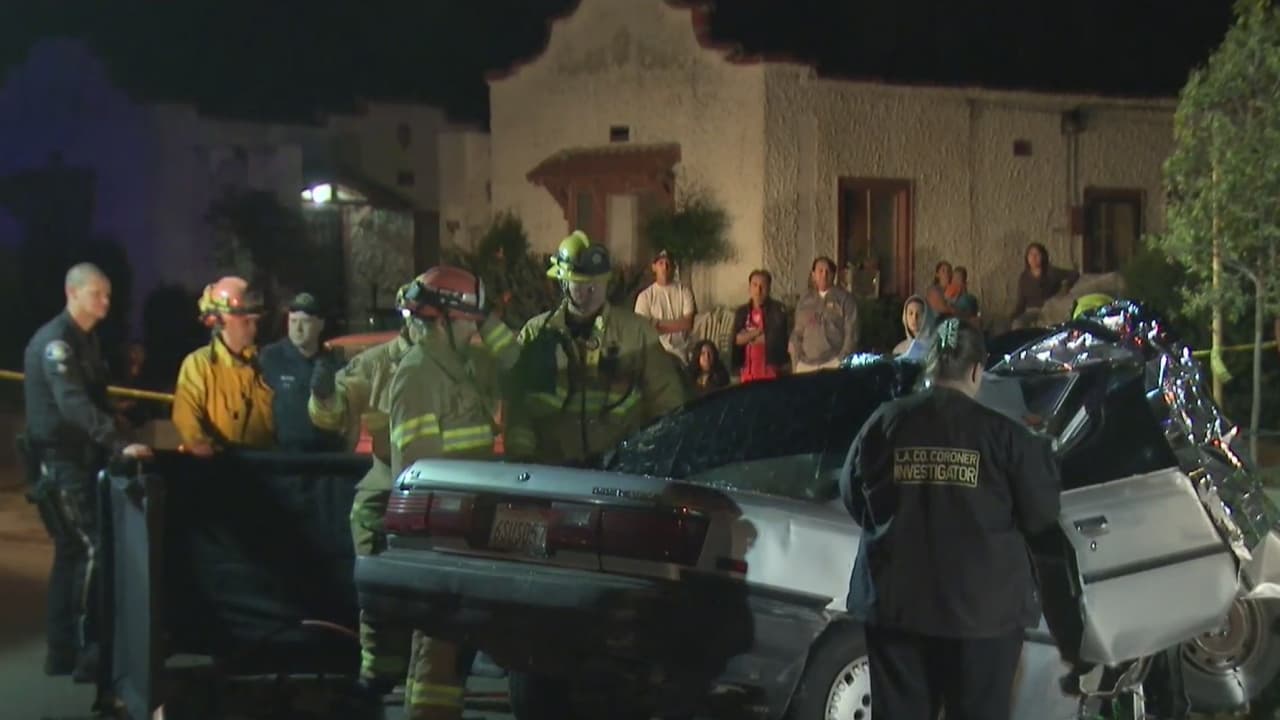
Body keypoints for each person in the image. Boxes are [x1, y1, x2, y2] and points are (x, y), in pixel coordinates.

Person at [839, 318, 1061, 720]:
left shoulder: (884, 423)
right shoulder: (1005, 437)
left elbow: (852, 495)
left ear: (931, 365)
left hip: (896, 606)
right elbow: (1041, 513)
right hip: (982, 615)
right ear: (976, 371)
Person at [387, 266, 520, 720]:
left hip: (467, 525)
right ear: (441, 320)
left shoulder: (461, 365)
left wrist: (486, 319)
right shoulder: (417, 374)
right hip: (440, 533)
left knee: (452, 652)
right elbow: (418, 472)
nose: (473, 329)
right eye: (467, 320)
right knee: (437, 651)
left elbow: (518, 364)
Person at [20, 263, 152, 681]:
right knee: (89, 547)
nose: (106, 302)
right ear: (72, 293)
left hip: (77, 459)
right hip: (62, 461)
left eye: (108, 294)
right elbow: (72, 404)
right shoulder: (57, 343)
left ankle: (64, 650)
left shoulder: (85, 340)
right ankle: (82, 648)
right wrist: (116, 440)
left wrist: (119, 421)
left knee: (74, 551)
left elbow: (93, 399)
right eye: (97, 294)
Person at [308, 280, 423, 697]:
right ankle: (378, 672)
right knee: (375, 585)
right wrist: (323, 396)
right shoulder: (377, 364)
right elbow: (335, 411)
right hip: (386, 485)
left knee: (431, 592)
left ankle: (428, 675)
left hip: (441, 492)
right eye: (416, 315)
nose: (423, 323)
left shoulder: (461, 363)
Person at [505, 231, 689, 466]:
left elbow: (666, 401)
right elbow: (519, 407)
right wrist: (523, 461)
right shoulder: (537, 333)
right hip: (552, 470)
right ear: (563, 282)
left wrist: (654, 458)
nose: (592, 290)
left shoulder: (637, 332)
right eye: (582, 283)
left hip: (619, 469)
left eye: (598, 283)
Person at [171, 276, 274, 455]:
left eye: (256, 320)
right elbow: (185, 415)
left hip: (265, 464)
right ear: (221, 320)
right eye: (246, 321)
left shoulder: (266, 363)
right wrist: (198, 443)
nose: (254, 328)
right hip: (220, 464)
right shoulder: (199, 364)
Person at [259, 292, 344, 451]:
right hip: (284, 457)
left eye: (305, 322)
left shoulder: (333, 363)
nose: (297, 329)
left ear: (320, 324)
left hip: (327, 458)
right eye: (293, 321)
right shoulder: (271, 358)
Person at [789, 256, 859, 373]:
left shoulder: (845, 299)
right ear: (813, 274)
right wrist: (796, 360)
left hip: (833, 363)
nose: (824, 275)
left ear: (833, 275)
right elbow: (797, 332)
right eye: (820, 271)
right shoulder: (805, 300)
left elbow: (851, 332)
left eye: (828, 271)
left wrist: (841, 360)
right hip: (806, 364)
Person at [633, 249, 697, 362]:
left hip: (681, 352)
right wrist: (677, 324)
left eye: (668, 263)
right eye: (661, 263)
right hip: (654, 354)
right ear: (654, 267)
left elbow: (688, 323)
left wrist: (657, 323)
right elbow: (644, 330)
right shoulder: (644, 297)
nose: (665, 267)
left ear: (673, 268)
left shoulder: (684, 292)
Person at [731, 269, 789, 382]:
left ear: (769, 289)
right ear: (749, 288)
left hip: (770, 372)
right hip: (747, 372)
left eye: (763, 286)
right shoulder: (742, 311)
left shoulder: (777, 310)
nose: (758, 290)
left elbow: (775, 339)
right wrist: (757, 332)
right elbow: (736, 339)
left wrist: (747, 336)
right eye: (755, 285)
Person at [1011, 242, 1079, 329]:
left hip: (1050, 310)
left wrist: (1066, 286)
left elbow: (1074, 274)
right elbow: (1021, 302)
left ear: (1043, 256)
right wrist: (1013, 316)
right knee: (1018, 324)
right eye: (1031, 254)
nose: (1033, 258)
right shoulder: (1024, 277)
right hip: (1032, 311)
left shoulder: (1052, 272)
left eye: (1037, 254)